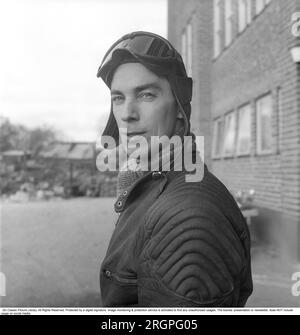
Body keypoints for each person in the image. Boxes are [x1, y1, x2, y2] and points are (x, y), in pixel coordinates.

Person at [96, 31, 253, 307]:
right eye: (118, 98)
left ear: (180, 107)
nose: (126, 113)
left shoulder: (189, 217)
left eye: (145, 94)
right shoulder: (149, 183)